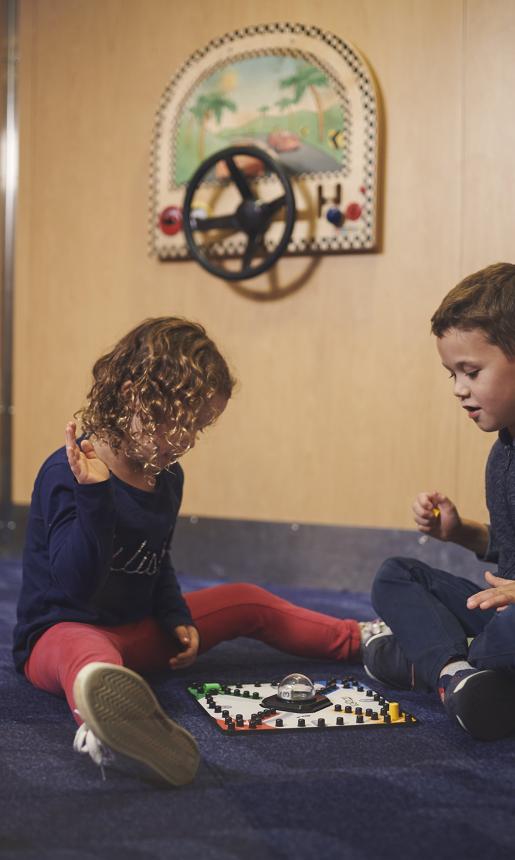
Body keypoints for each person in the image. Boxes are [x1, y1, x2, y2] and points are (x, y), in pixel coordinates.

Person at [14, 316, 384, 787]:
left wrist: (174, 615)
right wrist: (95, 497)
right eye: (178, 424)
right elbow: (75, 586)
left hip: (138, 631)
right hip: (61, 634)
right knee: (86, 651)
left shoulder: (166, 475)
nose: (186, 442)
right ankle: (108, 732)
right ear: (133, 395)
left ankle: (368, 640)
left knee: (248, 600)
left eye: (199, 429)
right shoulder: (69, 472)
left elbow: (155, 556)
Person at [363, 262, 515, 741]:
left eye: (471, 372)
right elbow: (505, 553)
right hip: (501, 612)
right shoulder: (501, 457)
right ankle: (456, 673)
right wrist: (459, 532)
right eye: (451, 373)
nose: (458, 389)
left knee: (497, 644)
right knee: (397, 574)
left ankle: (427, 657)